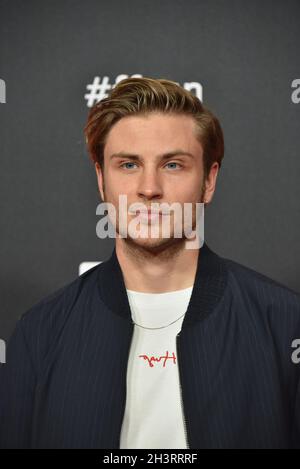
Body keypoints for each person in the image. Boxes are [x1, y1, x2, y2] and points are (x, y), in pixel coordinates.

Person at [0, 77, 299, 449]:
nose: (149, 188)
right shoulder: (39, 333)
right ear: (101, 179)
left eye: (173, 165)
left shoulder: (285, 324)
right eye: (128, 165)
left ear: (209, 180)